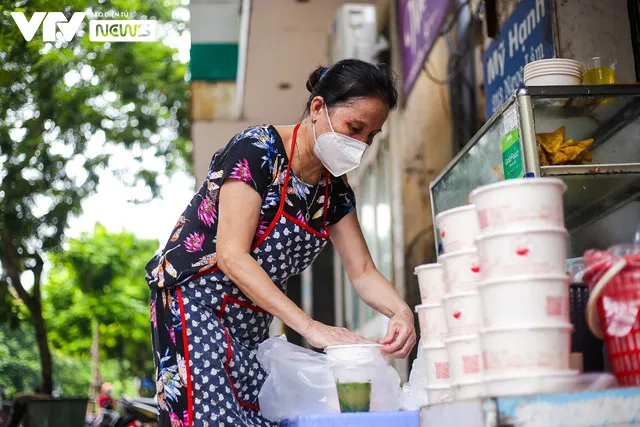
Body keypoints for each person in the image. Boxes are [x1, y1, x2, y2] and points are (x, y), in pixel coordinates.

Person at [145, 59, 416, 426]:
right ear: (318, 108)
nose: (360, 145)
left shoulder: (333, 191)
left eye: (371, 136)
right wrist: (311, 328)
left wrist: (400, 312)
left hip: (253, 323)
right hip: (195, 305)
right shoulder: (257, 151)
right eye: (354, 128)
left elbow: (363, 270)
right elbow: (231, 255)